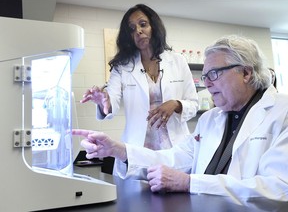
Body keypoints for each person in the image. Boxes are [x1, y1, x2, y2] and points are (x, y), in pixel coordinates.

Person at [73, 34, 288, 201]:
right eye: (205, 77)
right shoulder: (211, 119)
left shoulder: (282, 112)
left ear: (246, 73)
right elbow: (173, 159)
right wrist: (117, 150)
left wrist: (190, 183)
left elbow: (280, 188)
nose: (207, 84)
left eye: (214, 74)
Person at [80, 4, 198, 176]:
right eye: (132, 29)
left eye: (143, 24)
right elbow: (110, 102)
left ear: (153, 26)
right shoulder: (122, 67)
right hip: (138, 151)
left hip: (175, 149)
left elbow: (193, 103)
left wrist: (175, 104)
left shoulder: (177, 61)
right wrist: (103, 101)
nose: (138, 31)